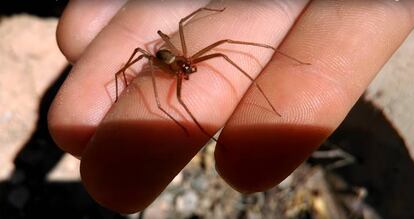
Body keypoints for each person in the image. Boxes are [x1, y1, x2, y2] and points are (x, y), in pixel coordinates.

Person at [48, 0, 414, 213]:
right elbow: (148, 60)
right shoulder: (167, 67)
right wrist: (139, 79)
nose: (191, 71)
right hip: (164, 60)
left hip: (178, 54)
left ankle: (277, 63)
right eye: (187, 67)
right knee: (158, 82)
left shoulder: (190, 56)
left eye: (189, 67)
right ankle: (210, 137)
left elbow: (192, 29)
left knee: (222, 42)